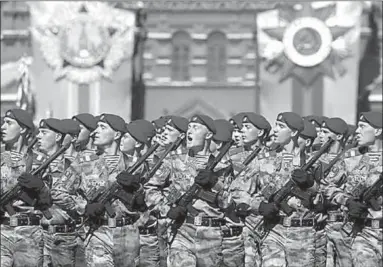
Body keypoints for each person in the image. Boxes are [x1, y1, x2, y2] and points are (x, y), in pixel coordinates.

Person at [324, 111, 382, 267]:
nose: (357, 131)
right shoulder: (350, 158)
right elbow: (328, 186)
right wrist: (346, 200)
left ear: (377, 131)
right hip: (363, 233)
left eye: (363, 127)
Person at [1, 109, 51, 267]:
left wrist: (41, 187)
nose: (2, 127)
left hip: (29, 233)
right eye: (3, 122)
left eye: (9, 123)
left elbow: (49, 201)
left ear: (22, 129)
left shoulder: (39, 161)